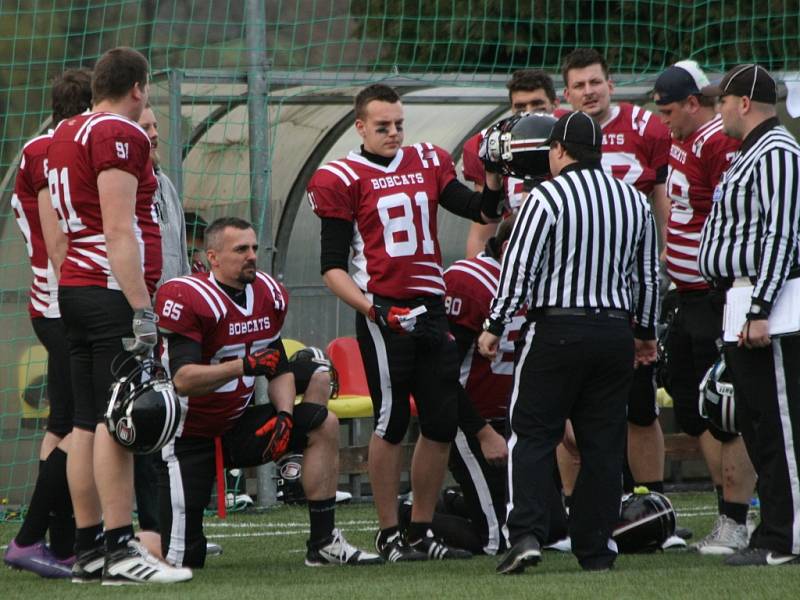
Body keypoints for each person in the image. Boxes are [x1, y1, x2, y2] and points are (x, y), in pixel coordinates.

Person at [307, 83, 505, 561]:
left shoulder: (428, 161)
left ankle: (420, 529)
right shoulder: (341, 177)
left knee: (439, 423)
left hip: (431, 307)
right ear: (360, 127)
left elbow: (480, 210)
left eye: (399, 123)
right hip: (384, 310)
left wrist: (494, 178)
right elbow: (332, 268)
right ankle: (389, 533)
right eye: (383, 126)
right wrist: (374, 310)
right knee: (392, 421)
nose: (394, 133)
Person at [478, 111, 659, 573]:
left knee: (532, 433)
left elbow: (519, 267)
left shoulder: (546, 197)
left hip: (557, 329)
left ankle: (526, 534)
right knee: (602, 442)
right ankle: (597, 548)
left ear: (558, 150)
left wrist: (495, 324)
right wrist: (645, 333)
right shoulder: (632, 201)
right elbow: (648, 275)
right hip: (615, 330)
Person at [154, 217, 381, 568]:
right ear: (213, 257)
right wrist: (243, 366)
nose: (251, 256)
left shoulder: (267, 293)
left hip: (237, 425)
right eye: (240, 249)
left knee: (323, 423)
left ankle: (323, 543)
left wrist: (286, 416)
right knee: (183, 558)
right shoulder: (189, 297)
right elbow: (183, 379)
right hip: (188, 437)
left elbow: (278, 366)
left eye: (254, 248)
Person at [47, 46, 191, 584]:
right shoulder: (119, 133)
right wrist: (139, 307)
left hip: (75, 289)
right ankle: (119, 548)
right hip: (109, 291)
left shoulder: (64, 133)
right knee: (117, 418)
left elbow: (61, 233)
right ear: (138, 88)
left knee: (85, 421)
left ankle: (88, 546)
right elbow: (118, 229)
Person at [561, 48, 673, 518]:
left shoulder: (647, 128)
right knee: (569, 410)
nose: (588, 91)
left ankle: (652, 505)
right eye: (579, 85)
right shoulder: (557, 132)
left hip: (629, 287)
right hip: (575, 290)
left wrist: (665, 253)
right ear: (566, 94)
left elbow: (662, 194)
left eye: (595, 82)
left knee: (641, 405)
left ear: (611, 83)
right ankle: (575, 509)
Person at [415, 215, 568, 556]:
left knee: (553, 528)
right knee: (496, 541)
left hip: (514, 424)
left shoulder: (541, 286)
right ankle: (413, 519)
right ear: (511, 248)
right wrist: (483, 433)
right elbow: (439, 375)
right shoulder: (471, 281)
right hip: (468, 421)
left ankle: (454, 502)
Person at [652, 60, 756, 555]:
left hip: (716, 296)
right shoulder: (682, 138)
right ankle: (728, 513)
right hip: (688, 295)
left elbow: (731, 217)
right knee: (699, 413)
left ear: (694, 103)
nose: (664, 119)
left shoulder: (718, 142)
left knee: (727, 408)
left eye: (670, 109)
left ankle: (740, 517)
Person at [698, 64, 800, 566]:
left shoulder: (778, 151)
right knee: (757, 423)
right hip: (741, 299)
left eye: (722, 101)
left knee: (781, 424)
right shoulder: (750, 153)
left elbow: (782, 234)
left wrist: (760, 308)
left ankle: (789, 537)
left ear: (743, 102)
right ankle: (774, 530)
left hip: (770, 303)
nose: (717, 111)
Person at [4, 68, 92, 579]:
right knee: (84, 423)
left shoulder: (35, 149)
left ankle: (61, 543)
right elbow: (61, 229)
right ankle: (30, 538)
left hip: (54, 301)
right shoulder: (54, 150)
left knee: (63, 424)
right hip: (65, 303)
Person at [462, 69, 562, 257]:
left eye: (538, 106)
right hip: (515, 253)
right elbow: (482, 234)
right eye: (521, 108)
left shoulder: (570, 143)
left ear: (554, 105)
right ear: (511, 109)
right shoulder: (493, 147)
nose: (529, 115)